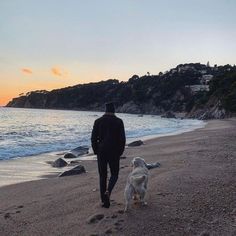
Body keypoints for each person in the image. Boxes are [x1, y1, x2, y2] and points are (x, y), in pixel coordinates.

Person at [91, 102, 126, 208]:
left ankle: (104, 202)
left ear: (105, 110)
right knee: (114, 174)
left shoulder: (98, 121)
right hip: (114, 151)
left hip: (101, 151)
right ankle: (109, 191)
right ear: (114, 110)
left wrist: (96, 150)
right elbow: (122, 139)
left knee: (103, 176)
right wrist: (120, 152)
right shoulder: (119, 121)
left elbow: (93, 138)